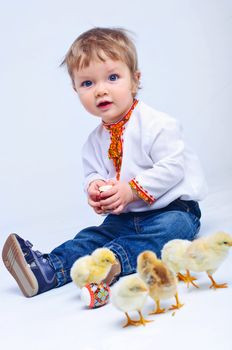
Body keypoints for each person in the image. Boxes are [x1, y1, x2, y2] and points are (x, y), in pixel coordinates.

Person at [2, 27, 207, 297]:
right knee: (91, 236)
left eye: (112, 77)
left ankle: (113, 261)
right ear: (75, 90)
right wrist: (96, 188)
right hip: (124, 218)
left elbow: (173, 168)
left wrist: (130, 190)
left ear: (135, 80)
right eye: (87, 83)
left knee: (172, 230)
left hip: (172, 209)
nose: (101, 90)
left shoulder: (157, 124)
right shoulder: (93, 141)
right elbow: (93, 173)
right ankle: (48, 269)